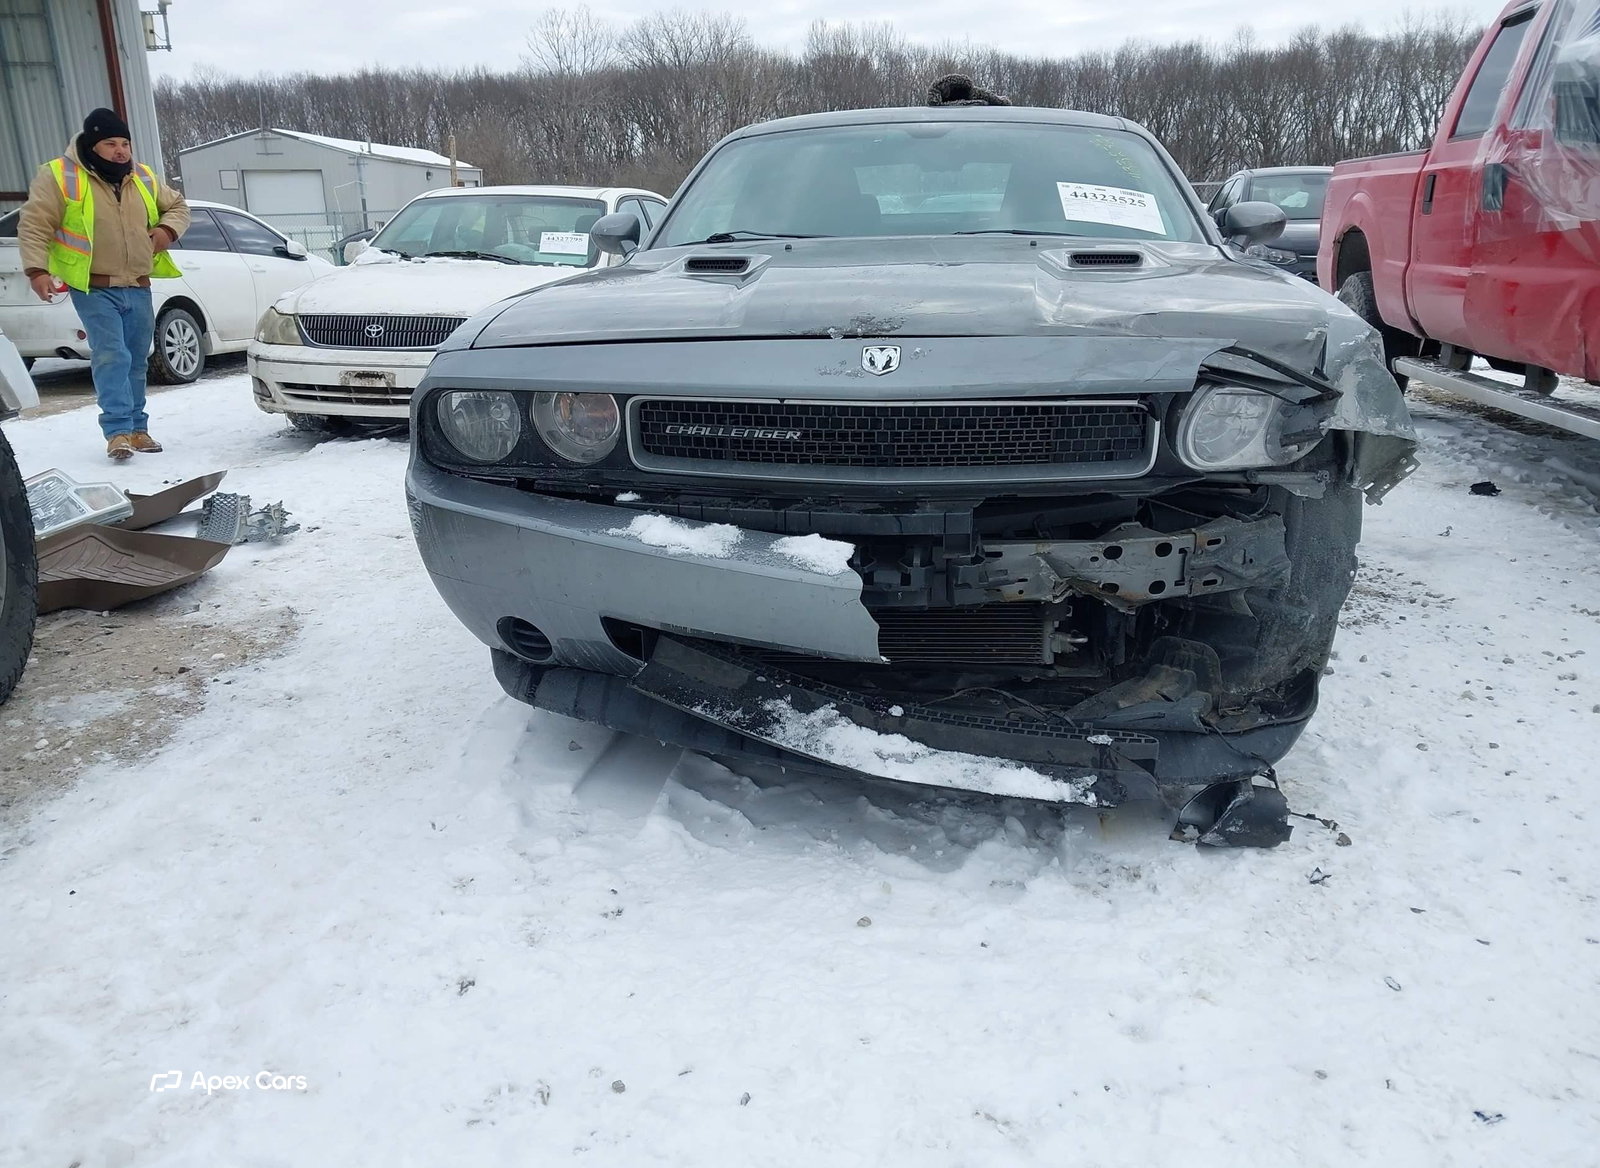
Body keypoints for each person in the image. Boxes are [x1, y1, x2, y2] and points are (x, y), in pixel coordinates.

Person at [18, 108, 190, 460]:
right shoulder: (60, 176)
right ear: (92, 145)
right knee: (111, 355)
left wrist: (165, 231)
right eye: (111, 143)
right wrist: (37, 270)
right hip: (94, 287)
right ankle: (117, 432)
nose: (120, 151)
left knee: (137, 359)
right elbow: (34, 224)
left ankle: (138, 428)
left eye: (125, 143)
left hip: (137, 285)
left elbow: (178, 206)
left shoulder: (141, 175)